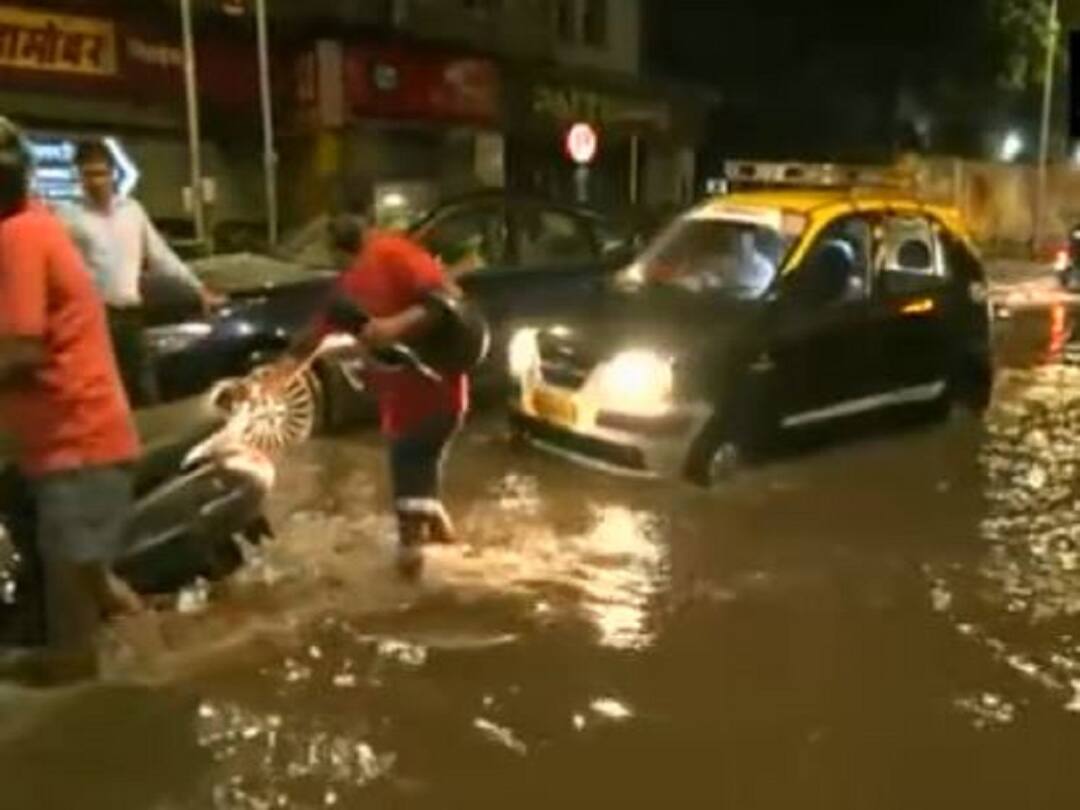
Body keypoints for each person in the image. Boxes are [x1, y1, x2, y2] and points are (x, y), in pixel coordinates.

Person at [0, 118, 143, 679]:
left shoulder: (19, 236)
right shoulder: (37, 224)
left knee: (71, 617)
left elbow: (21, 351)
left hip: (75, 444)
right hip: (67, 442)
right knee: (91, 583)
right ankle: (159, 659)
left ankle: (80, 717)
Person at [272, 198, 468, 578]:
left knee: (409, 474)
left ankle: (410, 586)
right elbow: (324, 326)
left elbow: (443, 299)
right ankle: (448, 553)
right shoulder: (355, 278)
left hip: (430, 391)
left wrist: (396, 325)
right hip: (407, 397)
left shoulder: (394, 253)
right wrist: (283, 366)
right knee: (420, 479)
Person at [57, 139, 222, 406]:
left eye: (100, 173)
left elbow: (160, 256)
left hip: (131, 317)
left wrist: (197, 288)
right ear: (78, 177)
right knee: (101, 395)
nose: (96, 181)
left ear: (113, 174)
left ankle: (146, 445)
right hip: (94, 318)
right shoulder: (69, 217)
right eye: (88, 174)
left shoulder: (132, 211)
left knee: (143, 389)